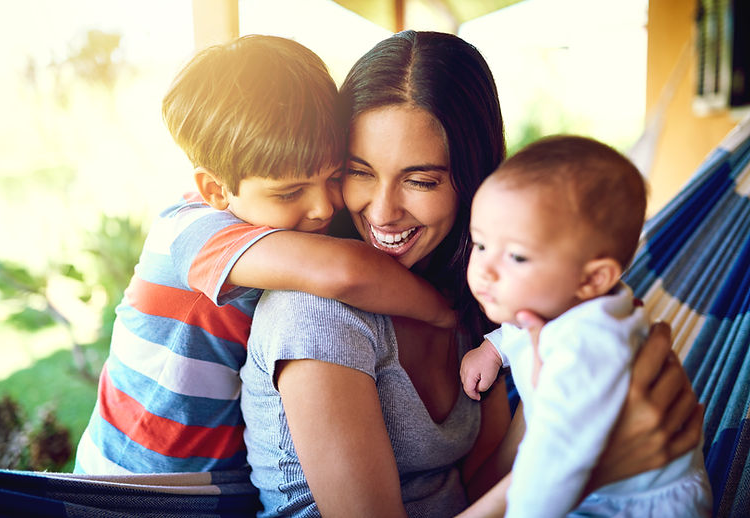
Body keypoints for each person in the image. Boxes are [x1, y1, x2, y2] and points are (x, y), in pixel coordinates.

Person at [240, 30, 704, 517]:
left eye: (421, 180)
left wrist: (570, 392)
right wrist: (596, 464)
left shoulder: (475, 291)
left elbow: (485, 483)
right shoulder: (314, 314)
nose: (381, 211)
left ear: (474, 181)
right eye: (359, 172)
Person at [73, 34, 457, 475]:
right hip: (133, 477)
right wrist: (442, 314)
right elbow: (346, 270)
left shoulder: (282, 219)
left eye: (334, 176)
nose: (322, 208)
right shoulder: (190, 232)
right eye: (291, 192)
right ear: (215, 189)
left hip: (218, 481)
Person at [458, 135, 712, 517]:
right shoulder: (561, 301)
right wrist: (494, 348)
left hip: (637, 505)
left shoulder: (587, 346)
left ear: (593, 280)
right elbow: (524, 321)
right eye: (480, 244)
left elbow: (552, 468)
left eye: (516, 255)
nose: (485, 269)